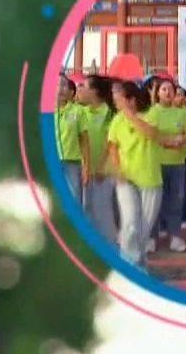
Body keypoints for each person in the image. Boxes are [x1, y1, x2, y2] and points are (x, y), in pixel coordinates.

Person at [104, 80, 165, 267]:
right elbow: (112, 146)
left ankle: (139, 262)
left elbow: (151, 134)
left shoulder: (152, 114)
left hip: (150, 178)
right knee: (130, 223)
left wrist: (130, 114)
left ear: (131, 99)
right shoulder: (117, 120)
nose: (116, 103)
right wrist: (117, 169)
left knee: (144, 227)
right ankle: (129, 265)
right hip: (126, 179)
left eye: (120, 99)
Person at [145, 76, 186, 252]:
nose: (167, 92)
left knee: (175, 200)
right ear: (158, 93)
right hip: (157, 164)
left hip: (177, 163)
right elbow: (152, 135)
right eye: (163, 89)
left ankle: (176, 237)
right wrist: (169, 142)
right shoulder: (153, 113)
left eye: (170, 90)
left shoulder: (182, 113)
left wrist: (183, 140)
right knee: (155, 202)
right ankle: (151, 237)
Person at [77, 74, 119, 239]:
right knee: (86, 211)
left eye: (83, 86)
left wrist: (102, 166)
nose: (79, 89)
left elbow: (111, 144)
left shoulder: (109, 114)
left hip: (103, 173)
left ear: (94, 91)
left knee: (103, 213)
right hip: (84, 171)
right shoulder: (80, 112)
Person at [55, 76, 85, 201]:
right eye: (57, 85)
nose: (60, 89)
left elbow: (84, 139)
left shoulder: (78, 111)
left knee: (74, 199)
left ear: (71, 91)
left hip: (73, 163)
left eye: (63, 85)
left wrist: (86, 165)